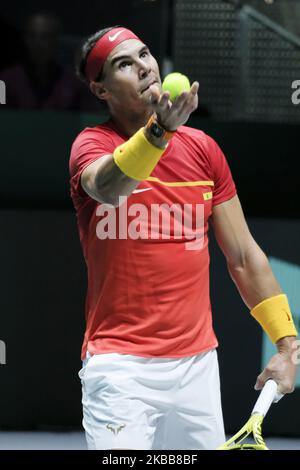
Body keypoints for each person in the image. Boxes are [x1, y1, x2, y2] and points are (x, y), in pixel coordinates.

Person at [69, 26, 298, 450]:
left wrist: (287, 345)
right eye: (124, 64)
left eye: (144, 54)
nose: (143, 67)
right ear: (101, 90)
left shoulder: (203, 150)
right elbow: (107, 187)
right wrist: (159, 132)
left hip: (196, 367)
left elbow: (244, 257)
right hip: (120, 369)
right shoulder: (92, 145)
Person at [1, 13, 95, 111]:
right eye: (32, 36)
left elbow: (88, 117)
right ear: (25, 40)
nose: (38, 43)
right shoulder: (5, 80)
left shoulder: (74, 82)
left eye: (45, 37)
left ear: (56, 40)